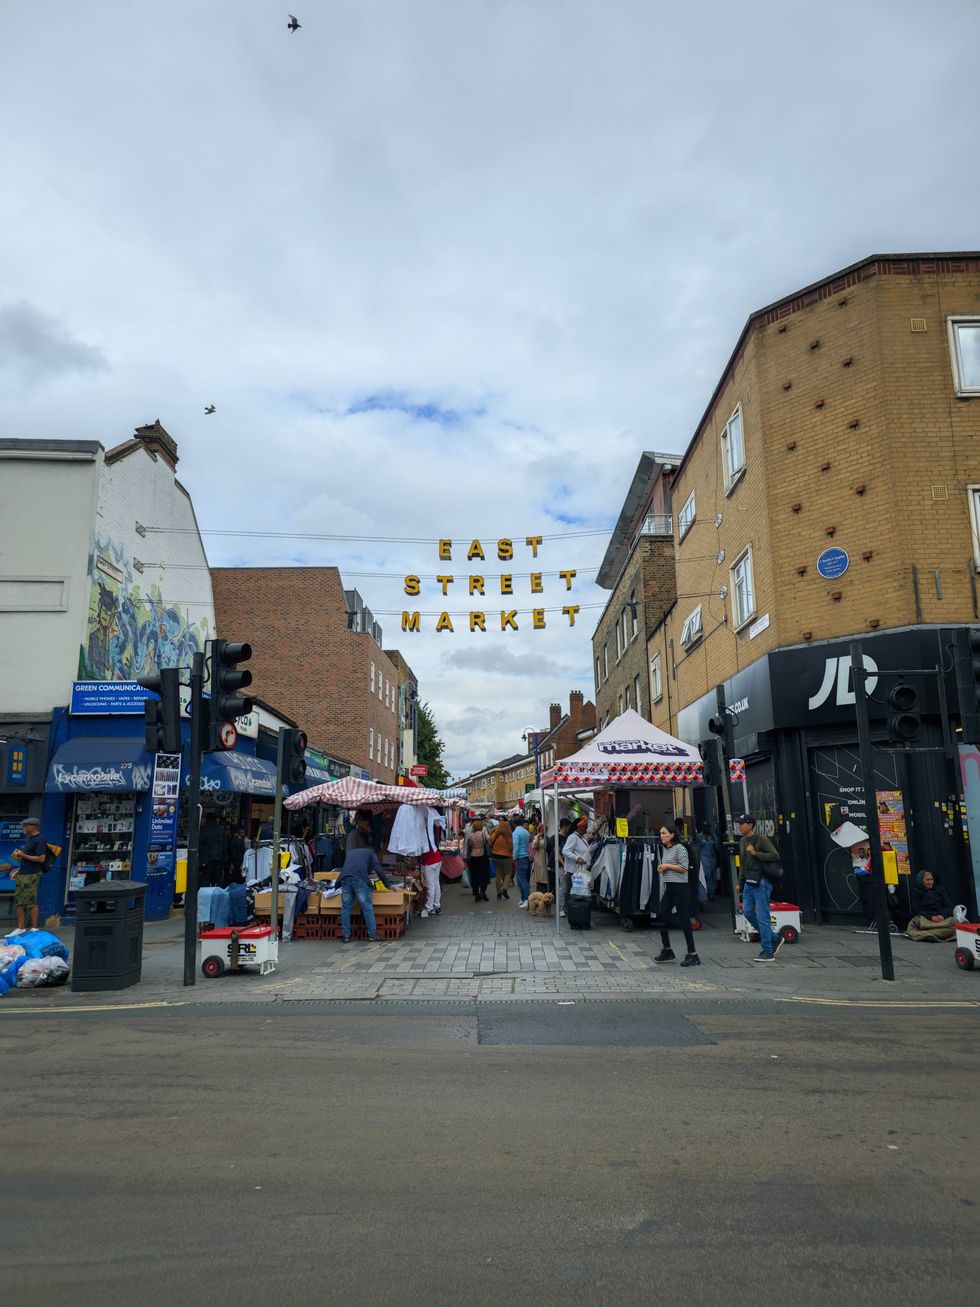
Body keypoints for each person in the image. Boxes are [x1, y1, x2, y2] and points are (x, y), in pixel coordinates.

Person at [737, 814, 783, 962]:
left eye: (742, 823)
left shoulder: (761, 839)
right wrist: (740, 882)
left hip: (762, 881)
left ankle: (767, 951)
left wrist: (755, 853)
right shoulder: (743, 841)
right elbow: (743, 864)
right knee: (748, 912)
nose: (740, 826)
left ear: (750, 825)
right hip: (749, 881)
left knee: (763, 916)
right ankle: (774, 937)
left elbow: (775, 855)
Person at [653, 824, 700, 967]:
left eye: (664, 833)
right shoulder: (665, 849)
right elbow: (668, 865)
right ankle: (667, 949)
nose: (662, 836)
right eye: (660, 833)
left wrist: (666, 866)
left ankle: (693, 954)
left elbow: (683, 868)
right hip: (670, 887)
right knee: (662, 915)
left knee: (684, 919)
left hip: (681, 887)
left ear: (672, 835)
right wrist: (661, 867)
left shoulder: (680, 848)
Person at [337, 845, 395, 943]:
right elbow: (379, 870)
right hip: (359, 879)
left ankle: (346, 936)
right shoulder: (371, 854)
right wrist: (388, 885)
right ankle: (372, 935)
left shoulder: (352, 852)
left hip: (345, 878)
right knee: (367, 906)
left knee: (346, 907)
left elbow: (350, 866)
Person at [2, 818, 48, 931]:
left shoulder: (40, 840)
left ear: (33, 826)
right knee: (19, 902)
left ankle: (34, 928)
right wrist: (18, 868)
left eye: (25, 825)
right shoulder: (30, 839)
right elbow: (27, 858)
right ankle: (21, 928)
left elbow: (41, 858)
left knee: (31, 902)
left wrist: (23, 855)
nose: (23, 828)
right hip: (23, 874)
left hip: (32, 874)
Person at [906, 870, 956, 941]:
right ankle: (937, 934)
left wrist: (942, 915)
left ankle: (928, 935)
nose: (930, 882)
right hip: (926, 919)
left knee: (954, 922)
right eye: (927, 880)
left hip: (941, 919)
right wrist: (931, 917)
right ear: (921, 881)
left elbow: (949, 906)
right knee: (917, 922)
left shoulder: (940, 889)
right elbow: (917, 909)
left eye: (931, 879)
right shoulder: (916, 892)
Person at [560, 817, 592, 917]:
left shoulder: (582, 838)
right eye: (585, 827)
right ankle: (571, 913)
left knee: (578, 894)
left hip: (581, 871)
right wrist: (577, 858)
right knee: (573, 894)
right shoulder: (573, 837)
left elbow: (586, 851)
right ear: (579, 827)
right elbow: (565, 851)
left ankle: (576, 913)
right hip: (573, 872)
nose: (586, 829)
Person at [463, 819, 492, 902]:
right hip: (483, 856)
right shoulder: (483, 833)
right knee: (484, 875)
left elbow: (468, 845)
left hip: (473, 857)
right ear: (481, 826)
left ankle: (476, 894)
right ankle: (483, 892)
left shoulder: (470, 835)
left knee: (474, 876)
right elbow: (490, 842)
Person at [488, 816, 514, 900]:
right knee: (508, 874)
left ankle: (498, 893)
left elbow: (489, 842)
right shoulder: (509, 835)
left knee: (498, 874)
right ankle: (504, 889)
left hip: (495, 855)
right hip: (506, 857)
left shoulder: (494, 832)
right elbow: (511, 847)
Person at [199, 813, 227, 888]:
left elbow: (200, 845)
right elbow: (225, 845)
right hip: (219, 858)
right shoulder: (221, 829)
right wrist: (224, 856)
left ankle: (206, 897)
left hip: (207, 860)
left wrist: (200, 860)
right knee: (217, 880)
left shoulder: (204, 830)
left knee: (205, 880)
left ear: (207, 820)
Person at [512, 816, 532, 908]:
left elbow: (516, 846)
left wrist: (514, 857)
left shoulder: (516, 833)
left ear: (514, 823)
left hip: (520, 858)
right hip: (527, 857)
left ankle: (527, 900)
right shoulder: (526, 832)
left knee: (522, 880)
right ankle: (523, 898)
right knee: (525, 879)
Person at [698, 821, 721, 900]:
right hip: (704, 858)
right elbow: (697, 848)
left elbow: (717, 848)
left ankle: (711, 894)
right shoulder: (699, 836)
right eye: (704, 826)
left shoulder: (713, 836)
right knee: (706, 876)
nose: (706, 828)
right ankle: (706, 895)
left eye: (707, 826)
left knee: (713, 877)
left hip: (712, 858)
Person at [530, 823, 549, 893]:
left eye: (545, 830)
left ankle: (544, 889)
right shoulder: (536, 837)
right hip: (539, 856)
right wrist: (538, 838)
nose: (544, 831)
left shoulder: (547, 837)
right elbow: (534, 846)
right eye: (543, 829)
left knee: (544, 874)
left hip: (545, 856)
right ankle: (539, 889)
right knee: (539, 873)